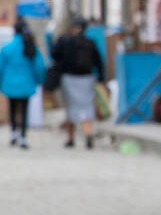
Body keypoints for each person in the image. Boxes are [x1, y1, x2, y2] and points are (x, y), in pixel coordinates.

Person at [51, 18, 104, 150]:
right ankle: (88, 132)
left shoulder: (65, 41)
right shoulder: (90, 42)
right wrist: (101, 79)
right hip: (87, 79)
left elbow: (54, 55)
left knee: (70, 108)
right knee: (86, 108)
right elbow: (99, 62)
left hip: (69, 78)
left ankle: (70, 138)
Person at [0, 18, 45, 149]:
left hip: (10, 83)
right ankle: (23, 137)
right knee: (24, 110)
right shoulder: (31, 47)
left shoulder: (7, 48)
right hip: (27, 83)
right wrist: (38, 80)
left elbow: (0, 67)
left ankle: (13, 133)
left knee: (12, 108)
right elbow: (40, 67)